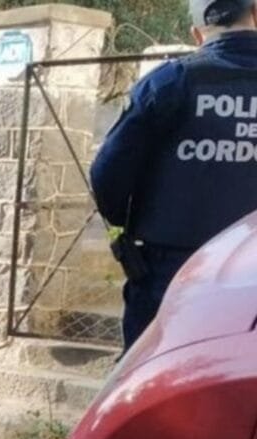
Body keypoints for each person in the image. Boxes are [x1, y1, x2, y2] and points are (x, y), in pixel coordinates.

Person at [92, 0, 257, 350]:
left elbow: (108, 175)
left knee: (153, 379)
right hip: (250, 276)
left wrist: (121, 222)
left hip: (170, 271)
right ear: (255, 14)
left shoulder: (171, 82)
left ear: (197, 35)